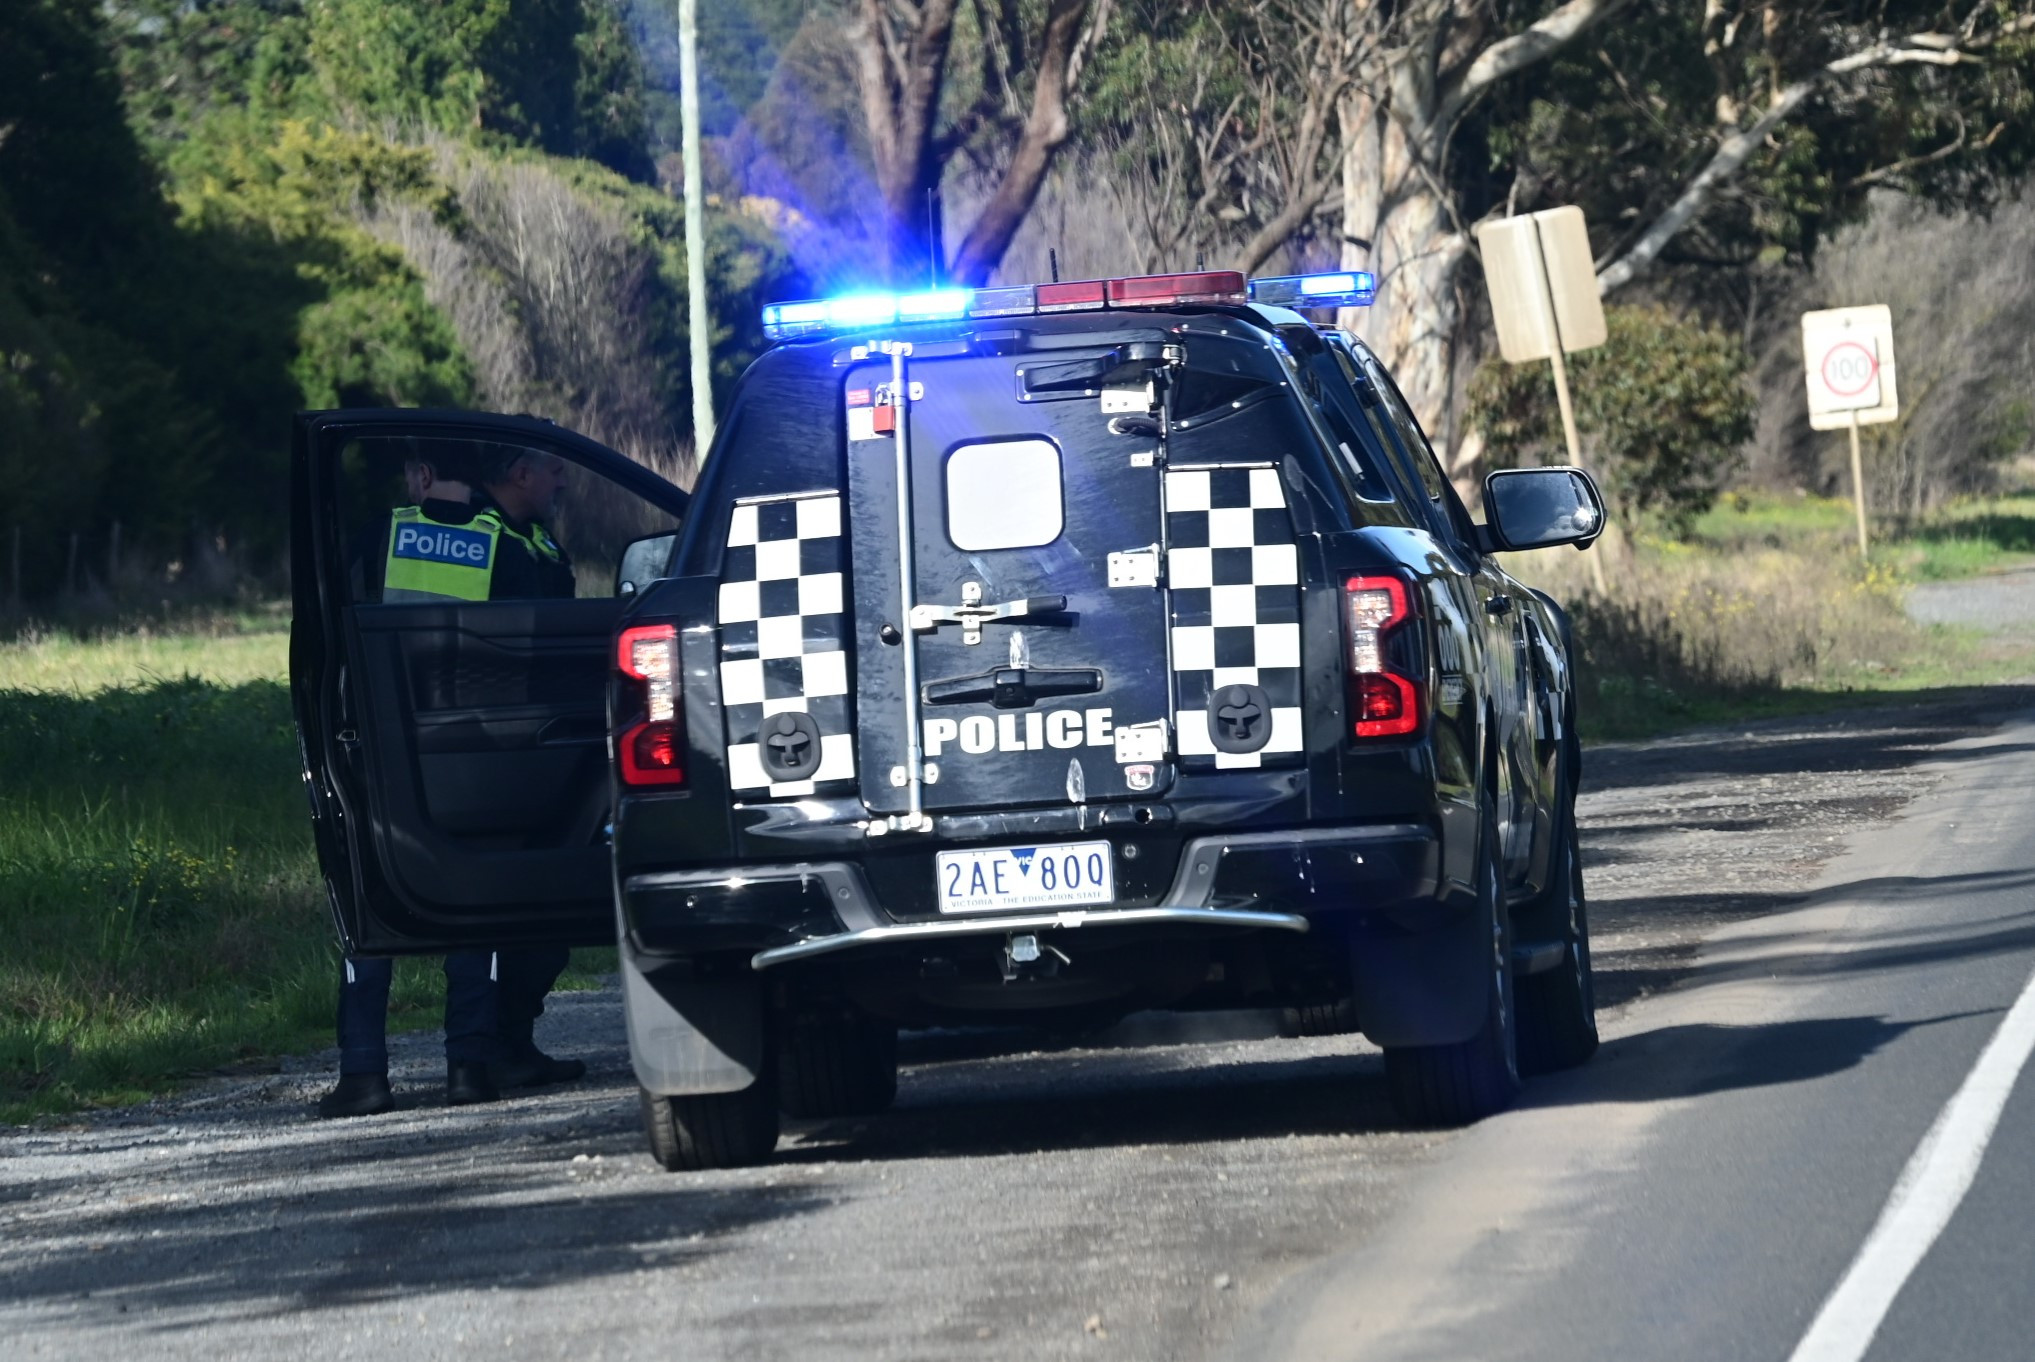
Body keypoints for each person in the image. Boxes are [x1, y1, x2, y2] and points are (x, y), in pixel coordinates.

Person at [316, 445, 585, 1119]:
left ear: (423, 474)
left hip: (383, 750)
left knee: (369, 907)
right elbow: (543, 654)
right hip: (477, 756)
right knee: (474, 911)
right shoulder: (512, 548)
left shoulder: (383, 535)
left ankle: (363, 1074)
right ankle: (469, 1067)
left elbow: (333, 628)